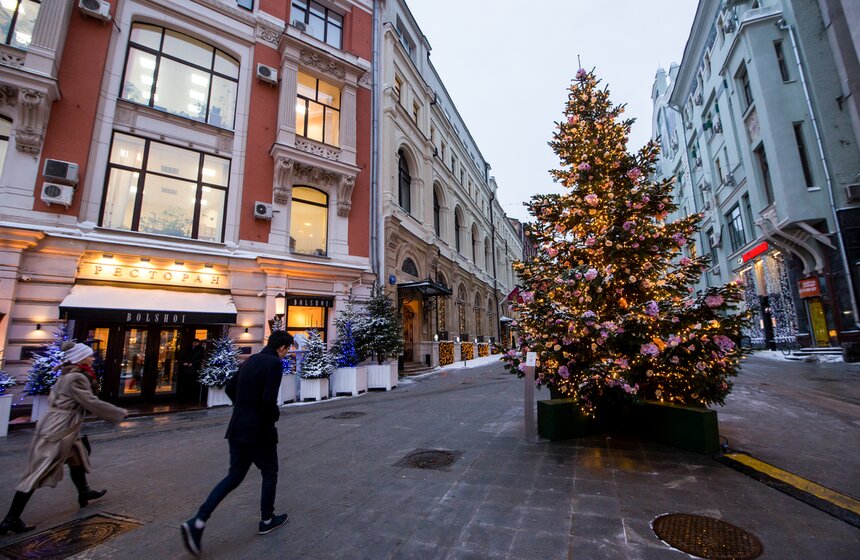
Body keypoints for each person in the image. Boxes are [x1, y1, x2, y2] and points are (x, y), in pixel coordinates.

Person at [180, 330, 294, 557]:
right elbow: (268, 399)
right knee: (270, 471)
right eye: (287, 349)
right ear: (282, 348)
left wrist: (243, 408)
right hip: (259, 432)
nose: (286, 354)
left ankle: (198, 521)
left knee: (234, 476)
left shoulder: (250, 361)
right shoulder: (273, 364)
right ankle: (267, 519)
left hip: (238, 428)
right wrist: (271, 417)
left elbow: (231, 388)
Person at [0, 342, 128, 536]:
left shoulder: (68, 373)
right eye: (90, 356)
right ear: (81, 358)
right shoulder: (76, 377)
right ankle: (11, 518)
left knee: (77, 456)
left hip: (63, 424)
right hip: (59, 428)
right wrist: (118, 413)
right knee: (38, 471)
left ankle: (83, 492)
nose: (93, 359)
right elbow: (90, 401)